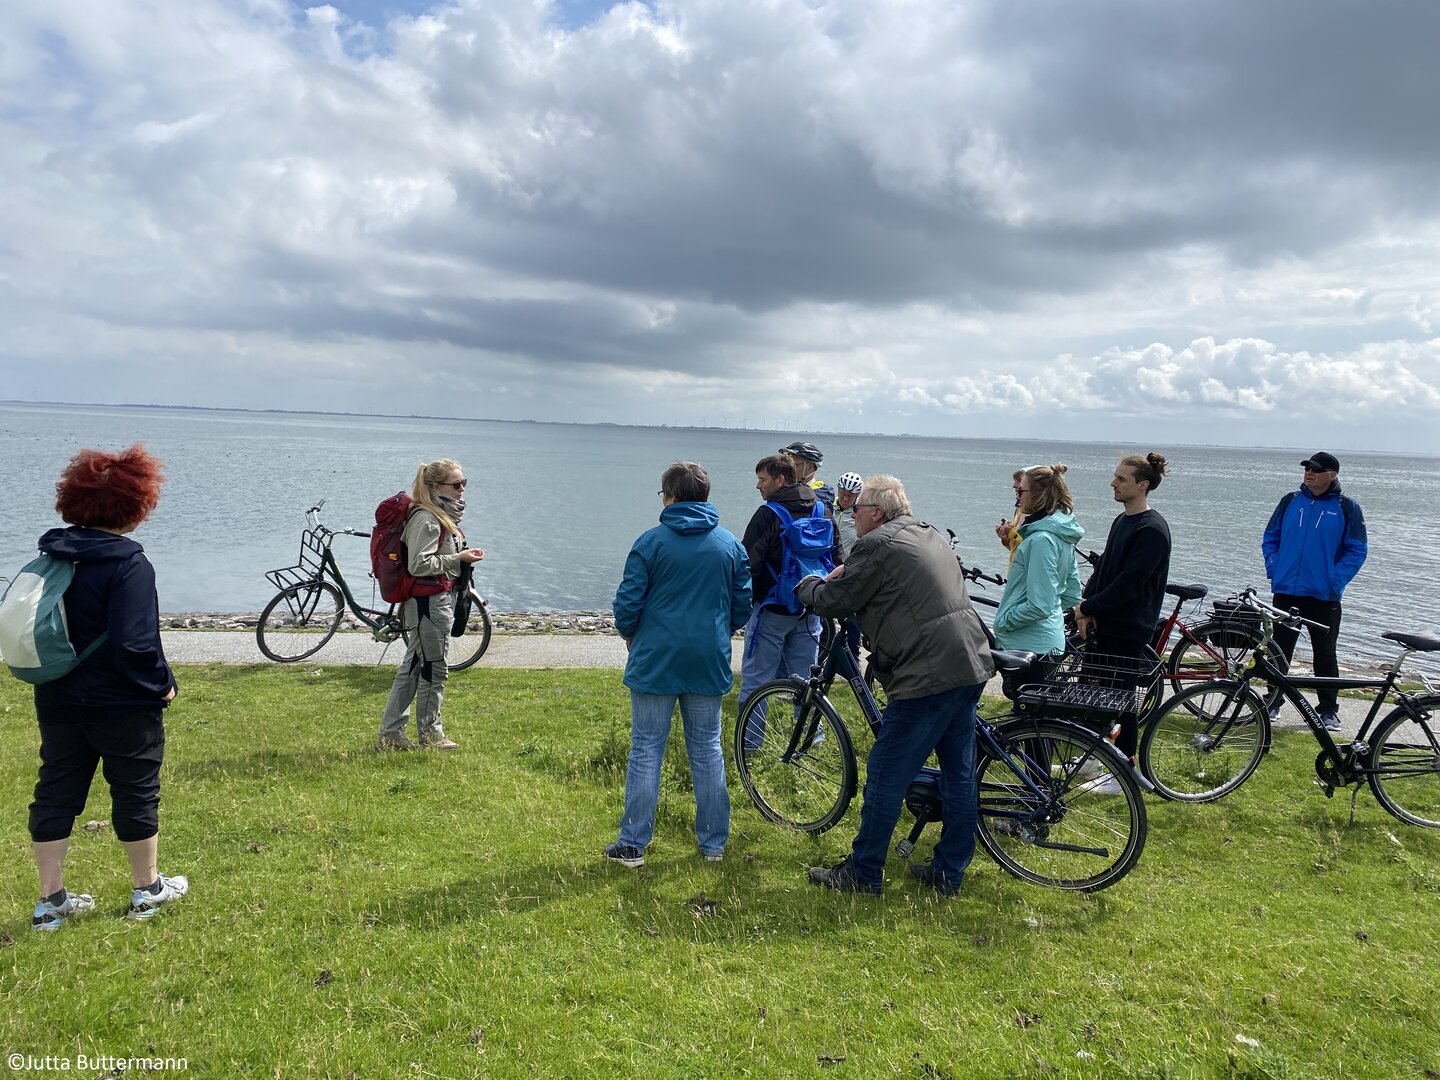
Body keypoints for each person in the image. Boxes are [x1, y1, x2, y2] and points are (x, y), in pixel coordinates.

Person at [795, 475, 995, 895]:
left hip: (928, 673)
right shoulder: (927, 533)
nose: (852, 514)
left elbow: (837, 600)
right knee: (959, 775)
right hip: (968, 660)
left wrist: (808, 586)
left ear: (876, 513)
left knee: (886, 774)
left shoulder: (875, 544)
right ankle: (949, 871)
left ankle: (863, 872)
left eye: (857, 509)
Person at [26, 444, 187, 929]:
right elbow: (134, 644)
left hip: (58, 692)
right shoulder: (130, 564)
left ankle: (50, 902)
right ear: (137, 506)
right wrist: (163, 685)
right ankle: (147, 891)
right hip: (122, 702)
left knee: (56, 789)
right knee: (135, 790)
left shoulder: (53, 555)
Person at [604, 462, 752, 867]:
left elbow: (628, 602)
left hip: (656, 656)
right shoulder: (729, 544)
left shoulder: (650, 542)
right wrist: (717, 630)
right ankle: (713, 845)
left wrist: (630, 634)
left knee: (646, 748)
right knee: (707, 748)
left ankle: (633, 844)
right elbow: (742, 604)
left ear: (669, 496)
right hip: (707, 655)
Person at [377, 459, 486, 751]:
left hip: (434, 601)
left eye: (464, 483)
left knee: (414, 666)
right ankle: (431, 735)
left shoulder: (440, 515)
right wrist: (459, 559)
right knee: (434, 669)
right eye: (456, 484)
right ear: (436, 486)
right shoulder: (427, 520)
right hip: (428, 603)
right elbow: (419, 565)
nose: (462, 489)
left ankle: (390, 735)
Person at [1073, 453, 1172, 763]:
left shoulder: (1152, 529)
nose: (1112, 483)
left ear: (1143, 485)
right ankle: (1092, 760)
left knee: (1122, 700)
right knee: (1093, 695)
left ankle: (1125, 766)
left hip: (1127, 628)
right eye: (1115, 476)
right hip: (1104, 622)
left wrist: (1088, 607)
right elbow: (1104, 570)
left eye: (1120, 478)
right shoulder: (1123, 520)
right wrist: (1086, 607)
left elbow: (1129, 585)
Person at [1261, 451, 1368, 730]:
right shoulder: (1290, 501)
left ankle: (1328, 710)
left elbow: (1357, 550)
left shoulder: (1347, 507)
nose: (1309, 472)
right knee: (1278, 650)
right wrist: (1274, 567)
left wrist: (1335, 580)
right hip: (1286, 590)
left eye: (1316, 469)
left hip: (1324, 595)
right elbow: (1271, 537)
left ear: (1332, 475)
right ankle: (1272, 702)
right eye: (1307, 468)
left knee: (1325, 653)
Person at [737, 454, 842, 710]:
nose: (758, 485)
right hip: (810, 608)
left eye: (762, 479)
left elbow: (749, 564)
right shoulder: (822, 510)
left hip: (773, 608)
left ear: (780, 480)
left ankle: (749, 735)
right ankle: (809, 732)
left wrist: (745, 605)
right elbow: (838, 559)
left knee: (757, 680)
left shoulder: (768, 514)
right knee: (807, 682)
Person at [993, 464, 1083, 675]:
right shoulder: (1061, 532)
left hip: (1029, 647)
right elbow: (1071, 593)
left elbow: (1040, 606)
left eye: (1020, 491)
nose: (1018, 497)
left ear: (1037, 495)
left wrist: (1004, 622)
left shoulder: (1041, 540)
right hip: (1047, 642)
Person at [994, 466, 1041, 571]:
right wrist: (1007, 539)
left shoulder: (1042, 515)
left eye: (1020, 480)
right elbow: (1019, 551)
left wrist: (1012, 533)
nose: (1014, 485)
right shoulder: (1020, 510)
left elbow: (1034, 549)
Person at [779, 441, 836, 510]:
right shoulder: (785, 488)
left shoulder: (822, 494)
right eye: (788, 464)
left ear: (810, 467)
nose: (789, 468)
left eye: (795, 465)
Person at [833, 471, 863, 559]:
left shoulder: (860, 514)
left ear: (857, 496)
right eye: (843, 493)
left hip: (848, 563)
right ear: (838, 491)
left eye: (850, 496)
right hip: (828, 562)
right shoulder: (828, 507)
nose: (845, 498)